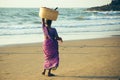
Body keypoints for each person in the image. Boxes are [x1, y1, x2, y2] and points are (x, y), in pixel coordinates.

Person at [41, 7, 63, 77]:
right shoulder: (54, 29)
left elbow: (42, 20)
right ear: (51, 22)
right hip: (52, 45)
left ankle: (44, 71)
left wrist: (45, 13)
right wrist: (60, 38)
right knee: (53, 57)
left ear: (46, 22)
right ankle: (49, 73)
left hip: (45, 45)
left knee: (47, 57)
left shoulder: (44, 28)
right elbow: (56, 37)